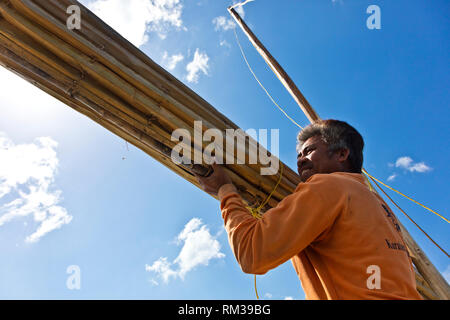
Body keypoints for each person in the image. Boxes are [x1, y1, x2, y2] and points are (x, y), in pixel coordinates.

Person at [195, 119, 422, 300]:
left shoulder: (329, 185)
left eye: (309, 150)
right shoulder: (378, 207)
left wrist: (225, 191)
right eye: (299, 155)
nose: (300, 160)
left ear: (342, 154)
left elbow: (252, 253)